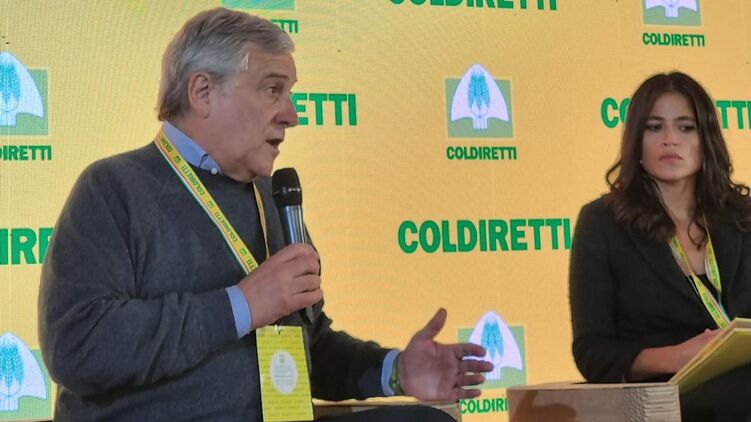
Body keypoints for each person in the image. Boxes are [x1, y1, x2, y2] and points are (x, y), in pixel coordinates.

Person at [38, 8, 492, 421]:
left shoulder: (270, 198)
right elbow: (78, 346)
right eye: (273, 90)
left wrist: (395, 371)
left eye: (290, 94)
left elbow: (305, 349)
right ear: (203, 92)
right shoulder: (113, 189)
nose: (291, 115)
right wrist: (242, 305)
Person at [569, 71, 751, 421]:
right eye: (654, 127)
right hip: (663, 405)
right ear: (636, 141)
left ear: (706, 138)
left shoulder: (742, 217)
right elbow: (593, 352)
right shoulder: (603, 222)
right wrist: (677, 356)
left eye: (686, 127)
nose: (670, 140)